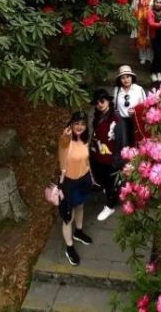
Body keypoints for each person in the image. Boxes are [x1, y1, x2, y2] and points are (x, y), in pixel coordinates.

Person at [57, 111, 94, 266]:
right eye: (76, 123)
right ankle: (69, 247)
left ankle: (78, 232)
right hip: (69, 182)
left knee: (80, 206)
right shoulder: (66, 141)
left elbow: (86, 160)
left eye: (83, 124)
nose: (79, 127)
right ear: (71, 125)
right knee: (68, 216)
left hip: (84, 179)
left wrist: (91, 176)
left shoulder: (84, 139)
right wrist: (66, 135)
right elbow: (64, 141)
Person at [90, 88, 126, 222]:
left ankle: (110, 206)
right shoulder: (97, 117)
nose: (100, 104)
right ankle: (109, 192)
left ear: (108, 101)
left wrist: (118, 160)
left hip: (111, 158)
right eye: (97, 102)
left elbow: (121, 141)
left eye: (102, 100)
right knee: (103, 180)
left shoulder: (116, 119)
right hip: (98, 155)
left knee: (112, 184)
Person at [113, 65, 146, 146]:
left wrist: (136, 111)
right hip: (122, 120)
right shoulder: (117, 90)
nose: (126, 80)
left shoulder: (139, 89)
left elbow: (145, 105)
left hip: (136, 119)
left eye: (128, 77)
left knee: (136, 141)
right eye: (123, 78)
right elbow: (114, 106)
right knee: (124, 143)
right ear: (119, 79)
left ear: (132, 77)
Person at [130, 0, 156, 65]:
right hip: (140, 19)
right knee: (140, 38)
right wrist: (133, 18)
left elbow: (156, 8)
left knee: (149, 39)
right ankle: (142, 57)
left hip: (149, 20)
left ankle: (150, 57)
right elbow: (133, 7)